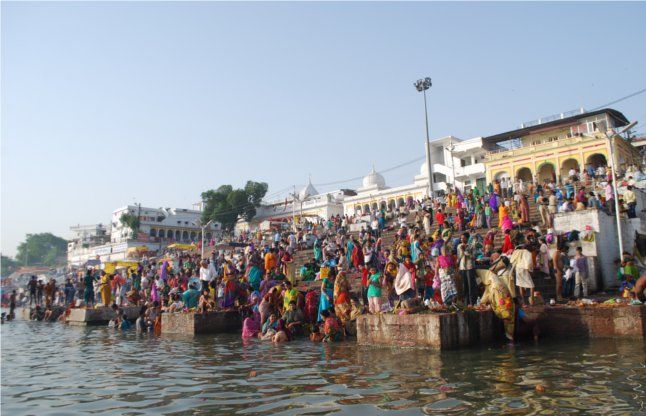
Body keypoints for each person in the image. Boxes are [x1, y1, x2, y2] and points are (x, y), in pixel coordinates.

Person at [458, 232, 478, 305]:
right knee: (464, 286)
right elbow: (459, 257)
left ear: (467, 238)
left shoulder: (472, 246)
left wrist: (465, 251)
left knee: (471, 286)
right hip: (462, 267)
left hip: (470, 267)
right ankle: (466, 303)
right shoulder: (459, 246)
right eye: (461, 238)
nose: (462, 239)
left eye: (463, 238)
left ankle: (472, 303)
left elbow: (474, 257)